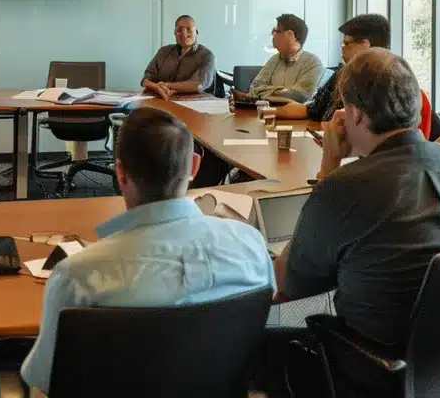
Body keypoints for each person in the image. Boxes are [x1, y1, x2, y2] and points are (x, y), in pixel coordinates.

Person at [265, 49, 440, 396]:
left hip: (386, 369)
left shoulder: (345, 187)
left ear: (356, 114)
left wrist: (330, 163)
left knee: (257, 345)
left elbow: (292, 284)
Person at [19, 107, 272, 394]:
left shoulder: (77, 275)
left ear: (120, 173)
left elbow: (45, 377)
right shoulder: (251, 245)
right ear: (194, 166)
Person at [274, 13, 384, 122]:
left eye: (347, 43)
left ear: (365, 45)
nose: (342, 48)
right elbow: (316, 108)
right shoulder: (343, 73)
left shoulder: (383, 82)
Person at [247, 14, 324, 103]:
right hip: (267, 112)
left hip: (294, 115)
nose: (272, 34)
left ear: (290, 35)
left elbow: (299, 96)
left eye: (276, 31)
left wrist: (266, 93)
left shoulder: (312, 62)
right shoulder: (274, 59)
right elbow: (254, 89)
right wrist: (281, 91)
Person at [141, 15, 214, 100]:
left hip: (192, 104)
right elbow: (146, 79)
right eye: (179, 30)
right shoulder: (163, 51)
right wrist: (156, 87)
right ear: (175, 34)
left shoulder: (207, 55)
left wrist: (167, 85)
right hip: (161, 101)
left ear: (196, 32)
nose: (184, 33)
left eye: (189, 29)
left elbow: (198, 85)